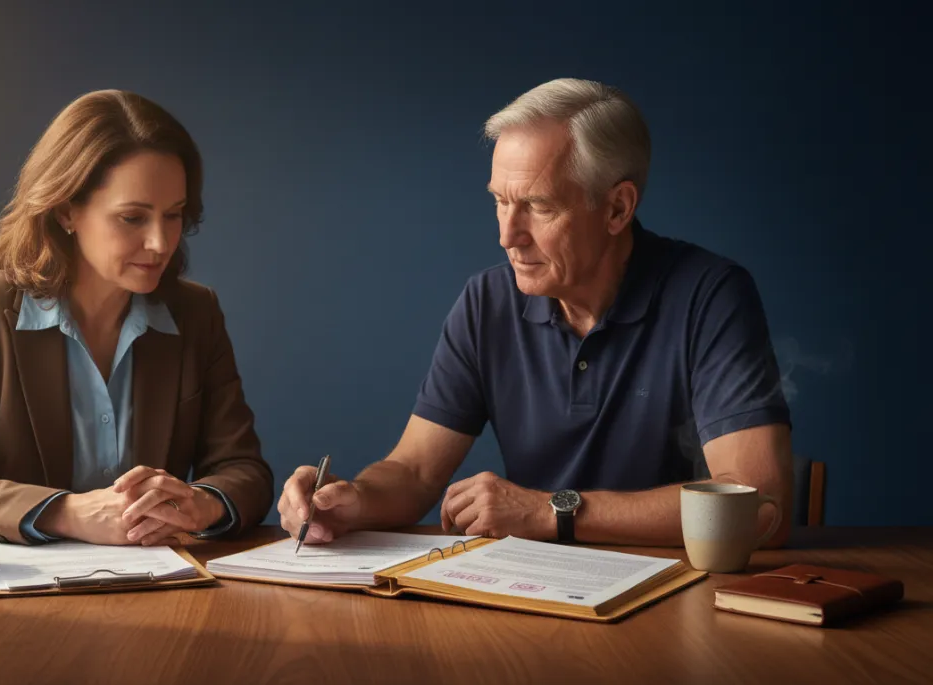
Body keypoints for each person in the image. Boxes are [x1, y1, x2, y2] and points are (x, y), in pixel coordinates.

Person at [277, 78, 792, 548]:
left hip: (677, 592)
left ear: (618, 208)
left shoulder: (709, 295)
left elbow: (758, 502)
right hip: (540, 593)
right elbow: (413, 473)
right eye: (500, 201)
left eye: (539, 207)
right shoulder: (487, 303)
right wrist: (352, 501)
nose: (507, 236)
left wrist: (551, 510)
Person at [0, 90, 273, 546]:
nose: (161, 243)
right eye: (132, 218)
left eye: (174, 216)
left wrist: (201, 504)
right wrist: (64, 512)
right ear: (66, 209)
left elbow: (245, 469)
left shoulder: (196, 313)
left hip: (161, 587)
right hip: (15, 603)